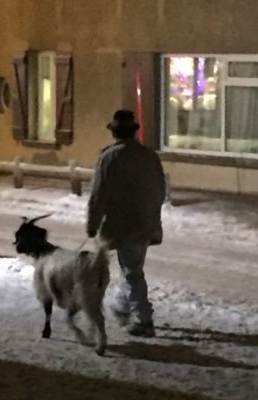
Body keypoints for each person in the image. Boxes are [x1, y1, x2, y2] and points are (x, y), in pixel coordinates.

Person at [86, 109, 166, 337]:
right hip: (146, 221)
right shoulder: (149, 156)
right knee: (132, 266)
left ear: (115, 133)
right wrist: (153, 215)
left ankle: (143, 318)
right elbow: (160, 190)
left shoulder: (109, 157)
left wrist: (92, 223)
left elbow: (98, 194)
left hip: (121, 223)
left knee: (132, 271)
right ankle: (123, 307)